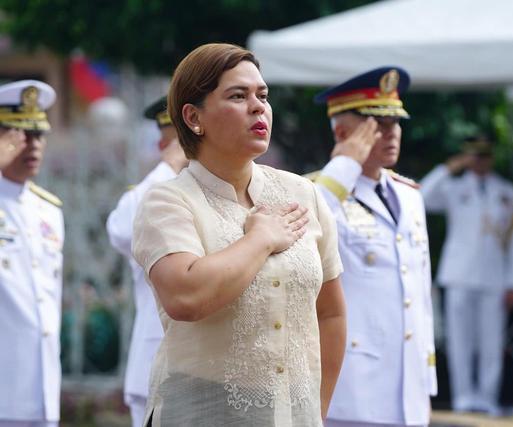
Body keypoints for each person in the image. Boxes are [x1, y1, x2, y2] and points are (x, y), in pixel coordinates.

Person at [131, 43, 346, 426]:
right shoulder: (168, 201)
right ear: (194, 117)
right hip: (202, 414)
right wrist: (260, 240)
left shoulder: (303, 194)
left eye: (263, 96)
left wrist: (317, 410)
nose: (258, 106)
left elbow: (330, 312)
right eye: (237, 96)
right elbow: (186, 296)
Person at [312, 66, 437, 427]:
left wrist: (426, 379)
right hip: (351, 387)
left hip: (406, 384)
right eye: (376, 125)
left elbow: (419, 294)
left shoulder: (409, 195)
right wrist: (345, 164)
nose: (391, 133)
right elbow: (307, 232)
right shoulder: (321, 192)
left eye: (395, 123)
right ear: (341, 131)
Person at [419, 137, 513, 415]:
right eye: (474, 156)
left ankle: (487, 398)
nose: (480, 161)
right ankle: (463, 397)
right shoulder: (454, 187)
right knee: (459, 341)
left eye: (484, 156)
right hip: (458, 275)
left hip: (494, 277)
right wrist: (449, 167)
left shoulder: (506, 192)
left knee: (492, 342)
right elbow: (421, 196)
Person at [106, 96, 187, 427]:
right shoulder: (150, 192)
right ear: (164, 142)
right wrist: (170, 165)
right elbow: (121, 229)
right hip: (159, 369)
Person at [0, 80, 63, 427]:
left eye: (38, 135)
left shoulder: (48, 211)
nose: (32, 144)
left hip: (41, 387)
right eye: (19, 133)